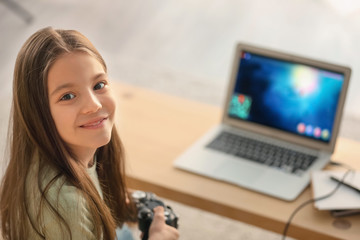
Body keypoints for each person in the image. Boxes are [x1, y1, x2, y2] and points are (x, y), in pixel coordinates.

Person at [0, 27, 179, 240]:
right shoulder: (66, 206)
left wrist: (108, 197)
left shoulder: (68, 150)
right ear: (38, 113)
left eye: (99, 84)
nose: (93, 105)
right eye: (68, 96)